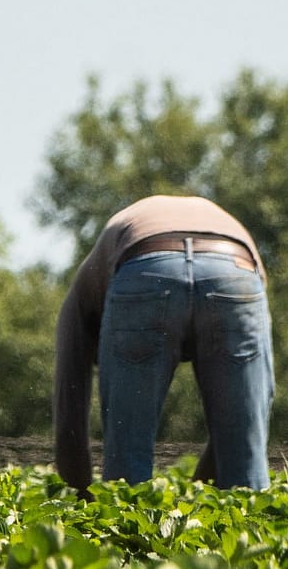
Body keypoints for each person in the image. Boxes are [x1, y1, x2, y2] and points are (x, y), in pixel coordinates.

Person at [53, 195, 274, 493]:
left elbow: (69, 407)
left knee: (126, 475)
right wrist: (201, 496)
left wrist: (79, 494)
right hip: (236, 272)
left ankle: (127, 529)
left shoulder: (80, 299)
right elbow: (246, 414)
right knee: (245, 473)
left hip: (144, 266)